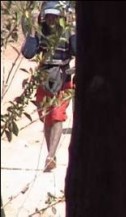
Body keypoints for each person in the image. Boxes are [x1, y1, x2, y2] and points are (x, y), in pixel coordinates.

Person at [21, 1, 76, 172]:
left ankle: (50, 156)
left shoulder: (67, 32)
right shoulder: (40, 32)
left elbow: (77, 50)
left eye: (55, 16)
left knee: (58, 115)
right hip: (44, 78)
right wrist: (32, 31)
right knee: (46, 117)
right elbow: (28, 53)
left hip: (63, 77)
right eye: (49, 16)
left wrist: (73, 29)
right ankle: (50, 152)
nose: (52, 19)